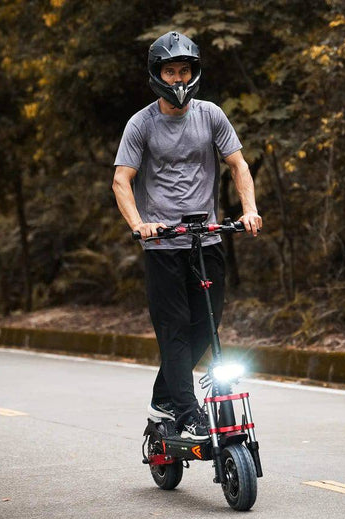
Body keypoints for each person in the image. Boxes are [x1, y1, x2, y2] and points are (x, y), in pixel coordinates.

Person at [112, 31, 262, 441]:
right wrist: (139, 225)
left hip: (207, 240)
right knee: (175, 329)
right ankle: (187, 412)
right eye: (170, 71)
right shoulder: (140, 123)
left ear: (194, 73)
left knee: (206, 328)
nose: (178, 79)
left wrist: (248, 209)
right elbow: (121, 181)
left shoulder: (211, 115)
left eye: (184, 71)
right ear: (157, 75)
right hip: (162, 245)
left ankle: (162, 401)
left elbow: (238, 164)